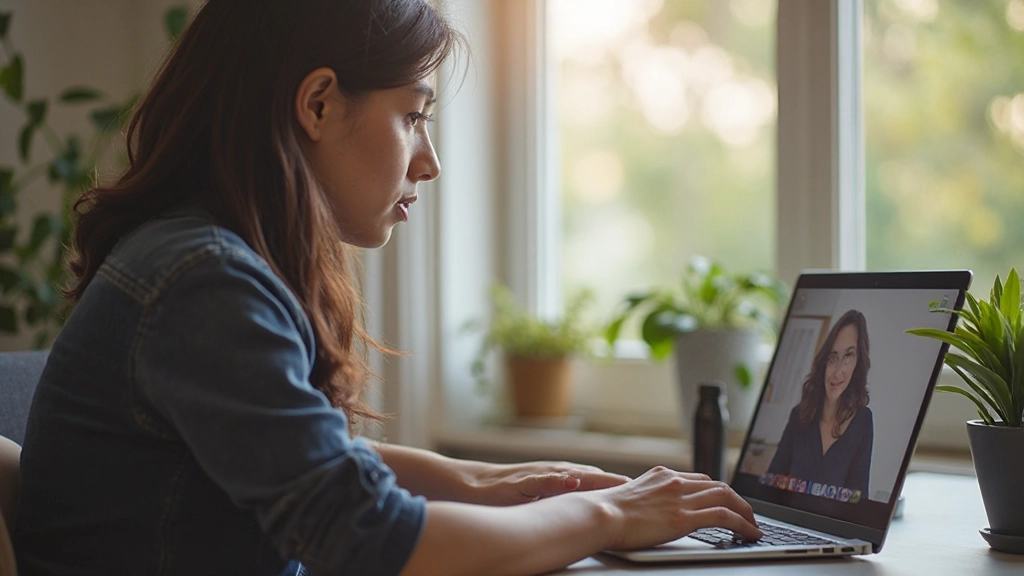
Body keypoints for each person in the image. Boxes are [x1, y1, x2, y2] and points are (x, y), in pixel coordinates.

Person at [13, 1, 762, 575]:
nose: (429, 160)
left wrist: (500, 482)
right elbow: (367, 535)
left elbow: (321, 464)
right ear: (317, 104)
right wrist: (609, 515)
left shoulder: (198, 255)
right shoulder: (204, 281)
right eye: (412, 116)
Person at [767, 309, 874, 497]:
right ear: (824, 362)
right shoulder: (799, 415)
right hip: (789, 518)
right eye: (833, 357)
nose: (837, 371)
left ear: (858, 362)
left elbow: (859, 496)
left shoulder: (863, 421)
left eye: (848, 356)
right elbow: (772, 481)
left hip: (830, 525)